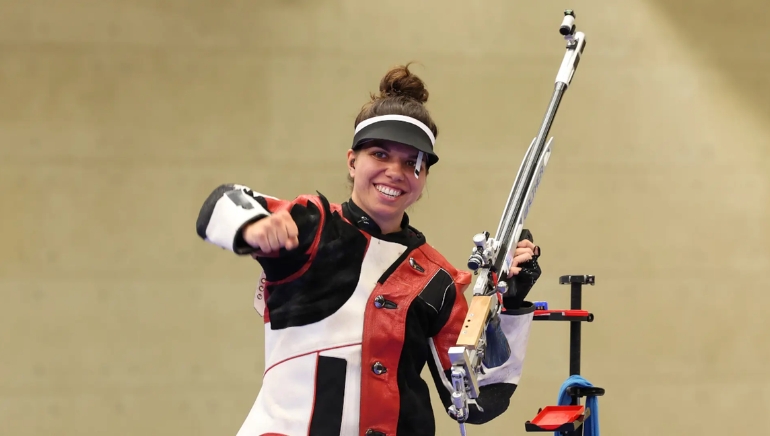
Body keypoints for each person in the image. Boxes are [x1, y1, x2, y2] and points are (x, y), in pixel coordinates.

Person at [195, 64, 542, 436]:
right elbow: (225, 204)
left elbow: (479, 398)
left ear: (424, 178)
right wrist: (254, 225)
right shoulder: (311, 225)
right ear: (352, 160)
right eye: (380, 154)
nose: (396, 171)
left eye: (413, 163)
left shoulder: (438, 279)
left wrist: (511, 303)